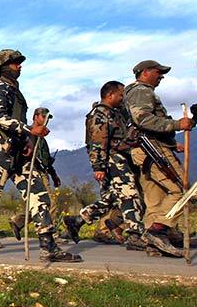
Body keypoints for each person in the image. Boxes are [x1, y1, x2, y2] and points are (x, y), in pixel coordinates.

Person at [0, 49, 82, 262]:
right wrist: (30, 130)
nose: (19, 66)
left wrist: (27, 140)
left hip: (19, 152)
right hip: (1, 152)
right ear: (2, 67)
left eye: (19, 63)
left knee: (40, 197)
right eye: (14, 63)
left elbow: (15, 124)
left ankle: (49, 246)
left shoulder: (16, 92)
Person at [62, 81, 150, 251]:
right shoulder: (100, 114)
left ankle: (78, 220)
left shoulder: (115, 113)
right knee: (130, 195)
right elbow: (98, 143)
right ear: (110, 95)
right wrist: (99, 167)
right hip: (111, 160)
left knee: (112, 197)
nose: (122, 97)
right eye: (120, 94)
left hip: (119, 158)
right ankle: (135, 234)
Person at [124, 60, 194, 256]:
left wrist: (172, 142)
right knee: (182, 188)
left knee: (155, 197)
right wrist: (177, 125)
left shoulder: (133, 93)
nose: (161, 76)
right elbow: (143, 119)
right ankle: (159, 230)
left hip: (145, 150)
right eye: (158, 72)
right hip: (152, 148)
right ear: (145, 72)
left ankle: (154, 244)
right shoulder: (142, 91)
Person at [9, 108, 62, 241]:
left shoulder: (42, 139)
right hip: (33, 172)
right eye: (43, 117)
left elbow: (47, 159)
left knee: (40, 203)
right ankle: (52, 234)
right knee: (50, 202)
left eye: (47, 118)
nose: (45, 120)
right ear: (35, 117)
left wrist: (54, 175)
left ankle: (18, 221)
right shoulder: (27, 134)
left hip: (43, 171)